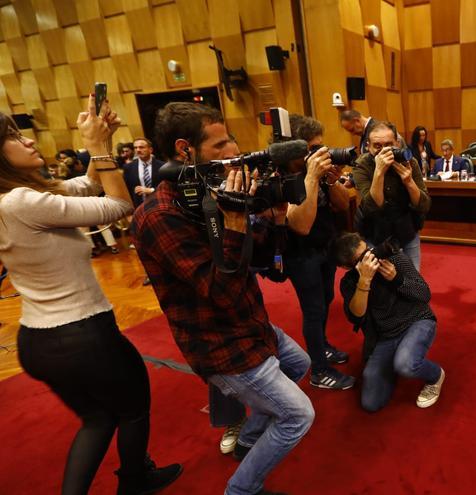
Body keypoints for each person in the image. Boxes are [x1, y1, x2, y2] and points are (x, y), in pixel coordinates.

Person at [131, 102, 314, 495]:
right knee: (298, 415)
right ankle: (241, 490)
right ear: (185, 149)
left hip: (253, 325)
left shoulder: (215, 187)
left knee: (299, 364)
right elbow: (221, 292)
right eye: (221, 143)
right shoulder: (159, 215)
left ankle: (248, 440)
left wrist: (276, 217)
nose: (234, 149)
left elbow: (270, 263)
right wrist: (233, 222)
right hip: (219, 345)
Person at [1, 99, 181, 495]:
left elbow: (89, 185)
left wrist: (102, 141)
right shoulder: (20, 202)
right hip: (81, 336)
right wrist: (98, 150)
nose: (29, 140)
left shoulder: (20, 198)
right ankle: (135, 483)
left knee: (98, 419)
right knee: (133, 409)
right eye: (13, 137)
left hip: (39, 341)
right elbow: (118, 206)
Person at [281, 114, 355, 390]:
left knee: (325, 300)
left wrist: (332, 180)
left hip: (325, 248)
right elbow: (300, 225)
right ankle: (319, 372)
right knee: (313, 310)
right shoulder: (285, 178)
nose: (320, 153)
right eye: (313, 148)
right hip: (301, 254)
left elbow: (342, 205)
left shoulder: (317, 173)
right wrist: (312, 176)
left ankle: (322, 347)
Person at [332, 232, 445, 412]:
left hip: (416, 320)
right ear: (347, 267)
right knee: (370, 403)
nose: (370, 258)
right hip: (384, 336)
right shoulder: (350, 282)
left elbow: (424, 294)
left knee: (405, 364)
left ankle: (435, 376)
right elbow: (356, 317)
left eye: (368, 251)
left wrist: (396, 279)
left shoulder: (392, 258)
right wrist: (364, 281)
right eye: (362, 259)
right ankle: (397, 362)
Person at [352, 121, 430, 271]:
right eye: (377, 146)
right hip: (375, 233)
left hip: (406, 230)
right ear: (368, 146)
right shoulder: (362, 165)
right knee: (379, 283)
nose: (383, 151)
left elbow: (424, 205)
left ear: (397, 143)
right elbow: (372, 207)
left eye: (389, 144)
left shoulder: (409, 161)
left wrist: (408, 182)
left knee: (413, 281)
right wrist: (379, 172)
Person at [123, 137, 164, 209]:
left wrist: (151, 190)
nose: (138, 150)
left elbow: (168, 186)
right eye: (135, 148)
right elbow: (127, 190)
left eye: (141, 147)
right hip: (139, 207)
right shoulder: (128, 167)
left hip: (160, 204)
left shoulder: (162, 166)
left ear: (150, 150)